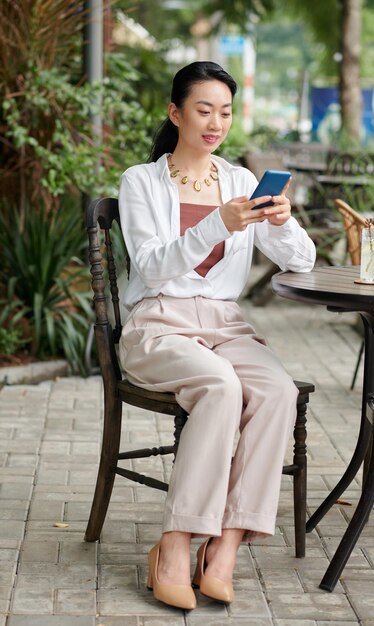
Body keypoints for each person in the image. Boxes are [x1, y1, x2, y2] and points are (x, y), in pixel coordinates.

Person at [118, 61, 316, 611]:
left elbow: (302, 260)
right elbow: (153, 267)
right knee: (221, 387)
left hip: (226, 324)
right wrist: (220, 224)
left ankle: (224, 549)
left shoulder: (240, 182)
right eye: (203, 110)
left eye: (225, 111)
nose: (215, 122)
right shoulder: (142, 181)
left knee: (278, 391)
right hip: (159, 322)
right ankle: (176, 544)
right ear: (175, 112)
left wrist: (281, 222)